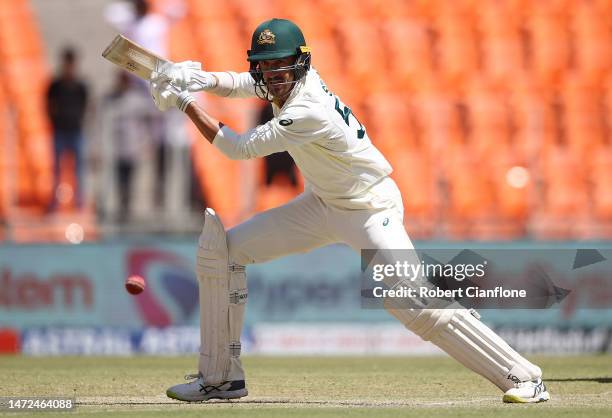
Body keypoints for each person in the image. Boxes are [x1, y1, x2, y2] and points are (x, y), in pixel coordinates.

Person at [148, 18, 549, 404]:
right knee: (224, 251)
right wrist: (201, 79)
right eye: (264, 67)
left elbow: (237, 148)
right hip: (322, 204)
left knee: (413, 299)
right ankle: (219, 378)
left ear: (300, 65)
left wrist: (186, 102)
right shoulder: (290, 83)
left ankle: (524, 377)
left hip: (370, 209)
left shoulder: (306, 110)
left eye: (279, 68)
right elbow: (242, 83)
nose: (271, 76)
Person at [46, 46, 88, 212]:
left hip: (75, 131)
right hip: (60, 131)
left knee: (78, 170)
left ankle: (79, 203)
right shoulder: (55, 85)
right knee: (57, 169)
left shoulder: (80, 86)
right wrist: (55, 121)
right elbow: (48, 106)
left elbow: (86, 107)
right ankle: (55, 203)